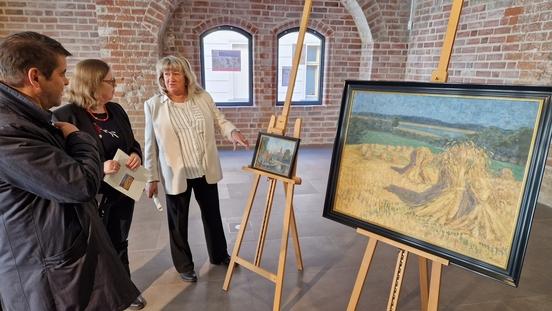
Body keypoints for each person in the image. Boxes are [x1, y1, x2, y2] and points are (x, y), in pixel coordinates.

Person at [0, 32, 140, 310]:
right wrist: (78, 138)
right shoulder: (10, 130)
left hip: (66, 255)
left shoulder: (29, 117)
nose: (66, 81)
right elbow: (79, 184)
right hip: (49, 274)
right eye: (62, 73)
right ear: (35, 77)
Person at [144, 55, 249, 282]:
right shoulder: (153, 105)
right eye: (166, 74)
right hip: (176, 173)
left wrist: (232, 131)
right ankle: (184, 265)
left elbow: (219, 119)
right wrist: (150, 177)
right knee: (178, 221)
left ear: (186, 76)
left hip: (204, 168)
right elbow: (150, 145)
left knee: (212, 214)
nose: (170, 78)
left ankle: (219, 254)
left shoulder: (202, 97)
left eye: (175, 73)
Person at [53, 59, 146, 310]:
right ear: (92, 83)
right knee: (96, 248)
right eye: (110, 81)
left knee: (120, 241)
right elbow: (61, 161)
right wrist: (100, 167)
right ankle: (100, 297)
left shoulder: (116, 110)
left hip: (123, 189)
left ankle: (125, 289)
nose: (115, 85)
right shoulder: (65, 116)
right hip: (93, 194)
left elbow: (131, 142)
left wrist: (136, 154)